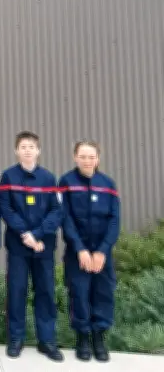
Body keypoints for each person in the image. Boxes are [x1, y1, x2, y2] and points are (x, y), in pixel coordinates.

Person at [0, 131, 64, 361]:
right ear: (17, 151)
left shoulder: (48, 178)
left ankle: (47, 341)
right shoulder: (8, 177)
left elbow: (56, 211)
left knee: (45, 292)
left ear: (38, 151)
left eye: (31, 146)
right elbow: (5, 209)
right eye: (23, 146)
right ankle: (16, 339)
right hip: (18, 246)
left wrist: (36, 235)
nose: (27, 150)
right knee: (17, 291)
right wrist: (25, 234)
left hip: (43, 247)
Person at [59, 140, 119, 363]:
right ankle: (82, 338)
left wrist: (102, 251)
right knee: (80, 294)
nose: (87, 160)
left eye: (91, 156)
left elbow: (115, 220)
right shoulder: (66, 182)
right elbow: (65, 219)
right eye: (82, 156)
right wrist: (81, 250)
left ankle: (99, 338)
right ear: (75, 157)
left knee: (103, 294)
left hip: (102, 254)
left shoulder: (108, 184)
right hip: (78, 253)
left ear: (98, 159)